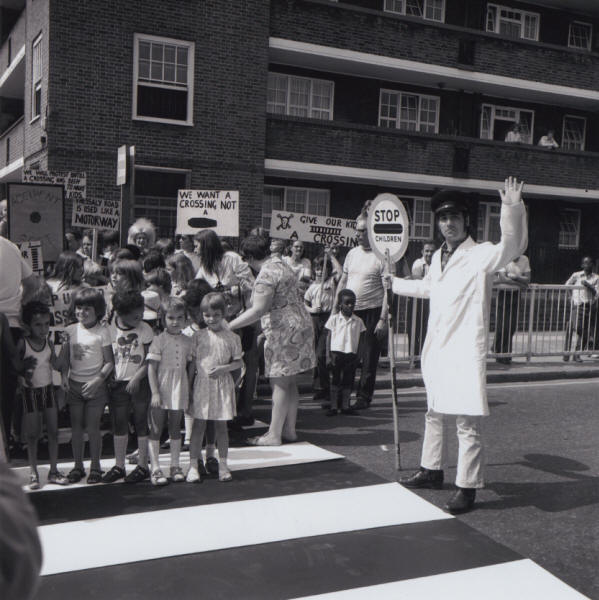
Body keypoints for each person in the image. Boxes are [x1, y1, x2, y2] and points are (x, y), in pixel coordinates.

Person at [384, 178, 527, 514]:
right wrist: (396, 284)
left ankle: (467, 486)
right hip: (438, 347)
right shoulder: (438, 258)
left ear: (467, 222)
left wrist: (512, 207)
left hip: (465, 349)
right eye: (443, 219)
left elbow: (512, 244)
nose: (448, 224)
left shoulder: (481, 254)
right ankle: (431, 470)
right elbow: (429, 289)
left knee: (466, 421)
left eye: (455, 218)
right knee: (433, 411)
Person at [228, 235, 316, 446]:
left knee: (279, 382)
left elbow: (257, 310)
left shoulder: (266, 274)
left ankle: (274, 434)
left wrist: (228, 326)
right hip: (301, 325)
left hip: (283, 330)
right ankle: (289, 430)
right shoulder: (281, 264)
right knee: (290, 381)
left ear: (249, 257)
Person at [334, 205, 388, 410]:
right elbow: (343, 281)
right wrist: (335, 309)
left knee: (368, 359)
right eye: (357, 230)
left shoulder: (382, 256)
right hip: (350, 312)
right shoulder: (351, 254)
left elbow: (387, 291)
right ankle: (342, 397)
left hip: (372, 311)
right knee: (346, 356)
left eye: (363, 230)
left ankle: (363, 397)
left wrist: (383, 319)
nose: (359, 234)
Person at [187, 292, 243, 483]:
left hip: (222, 385)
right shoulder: (198, 336)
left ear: (224, 313)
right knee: (198, 426)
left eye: (216, 315)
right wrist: (188, 388)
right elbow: (193, 365)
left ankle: (223, 464)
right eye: (207, 315)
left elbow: (238, 363)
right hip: (202, 385)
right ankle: (193, 465)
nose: (211, 319)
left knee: (221, 427)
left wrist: (223, 369)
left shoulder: (232, 337)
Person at [62, 288, 114, 484]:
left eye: (87, 309)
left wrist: (98, 380)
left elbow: (109, 362)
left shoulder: (102, 332)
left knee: (92, 428)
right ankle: (77, 466)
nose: (81, 312)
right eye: (78, 308)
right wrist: (64, 376)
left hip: (96, 387)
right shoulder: (70, 330)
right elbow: (65, 358)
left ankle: (95, 467)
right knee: (76, 428)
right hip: (75, 385)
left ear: (97, 310)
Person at [103, 290, 153, 484]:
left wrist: (137, 378)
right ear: (120, 314)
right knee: (119, 423)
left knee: (141, 422)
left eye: (141, 312)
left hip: (139, 382)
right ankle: (119, 465)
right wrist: (109, 376)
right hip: (117, 383)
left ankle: (143, 465)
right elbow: (106, 357)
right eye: (134, 315)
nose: (139, 317)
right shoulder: (109, 330)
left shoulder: (145, 329)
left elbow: (150, 359)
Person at [18, 301, 68, 488]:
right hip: (30, 393)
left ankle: (53, 471)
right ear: (28, 325)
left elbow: (56, 364)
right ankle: (33, 472)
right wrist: (20, 379)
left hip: (48, 391)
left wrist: (65, 347)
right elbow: (16, 366)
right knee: (32, 435)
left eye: (47, 324)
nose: (44, 328)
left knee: (53, 433)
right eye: (38, 324)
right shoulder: (23, 343)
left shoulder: (48, 342)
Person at [146, 297, 193, 485]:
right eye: (171, 317)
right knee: (156, 428)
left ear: (185, 319)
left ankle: (175, 465)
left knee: (175, 428)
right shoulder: (158, 340)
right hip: (162, 386)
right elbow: (151, 368)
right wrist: (155, 392)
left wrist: (188, 387)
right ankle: (155, 467)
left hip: (179, 388)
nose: (175, 322)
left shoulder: (188, 341)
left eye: (180, 318)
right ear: (163, 318)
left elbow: (190, 365)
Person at [0, 235, 39, 453]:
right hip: (12, 325)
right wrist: (20, 303)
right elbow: (32, 284)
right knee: (5, 392)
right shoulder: (10, 246)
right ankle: (4, 449)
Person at [304, 251, 341, 404]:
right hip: (315, 319)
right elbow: (304, 303)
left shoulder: (331, 282)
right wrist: (312, 309)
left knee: (322, 354)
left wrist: (331, 255)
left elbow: (340, 272)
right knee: (316, 355)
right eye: (317, 269)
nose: (319, 271)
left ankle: (327, 387)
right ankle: (319, 387)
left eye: (322, 268)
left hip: (328, 317)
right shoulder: (312, 287)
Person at [325, 289, 365, 416]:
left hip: (351, 354)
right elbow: (328, 337)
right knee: (335, 380)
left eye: (353, 303)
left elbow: (362, 340)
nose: (350, 306)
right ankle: (333, 406)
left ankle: (345, 406)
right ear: (340, 305)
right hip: (336, 353)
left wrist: (359, 355)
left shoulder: (358, 321)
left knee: (348, 380)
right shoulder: (334, 319)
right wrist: (327, 355)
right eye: (347, 303)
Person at [493, 255, 531, 364]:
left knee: (512, 325)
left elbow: (528, 279)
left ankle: (505, 352)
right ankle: (500, 354)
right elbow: (503, 277)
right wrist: (520, 283)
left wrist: (514, 277)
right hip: (503, 294)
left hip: (515, 294)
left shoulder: (524, 259)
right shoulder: (505, 257)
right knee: (502, 325)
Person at [563, 256, 599, 362]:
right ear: (582, 265)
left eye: (590, 263)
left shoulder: (596, 278)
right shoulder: (576, 275)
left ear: (593, 265)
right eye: (585, 263)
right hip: (577, 305)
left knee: (583, 330)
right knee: (577, 327)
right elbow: (567, 285)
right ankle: (568, 352)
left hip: (589, 306)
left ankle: (576, 354)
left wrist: (589, 285)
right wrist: (571, 298)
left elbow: (597, 293)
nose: (588, 265)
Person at [409, 241, 435, 364]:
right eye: (427, 251)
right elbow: (416, 279)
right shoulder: (418, 264)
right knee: (416, 329)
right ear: (422, 252)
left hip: (431, 302)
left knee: (428, 329)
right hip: (418, 301)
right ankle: (414, 357)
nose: (429, 253)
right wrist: (431, 282)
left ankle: (425, 358)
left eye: (432, 251)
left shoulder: (437, 264)